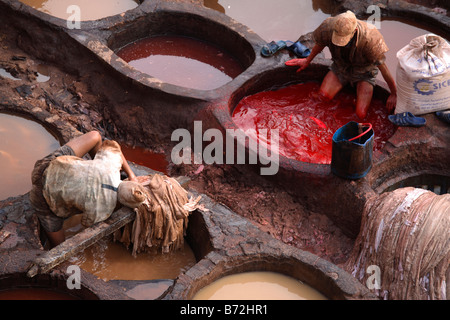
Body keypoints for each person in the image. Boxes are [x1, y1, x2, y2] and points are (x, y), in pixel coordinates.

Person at [30, 131, 146, 248]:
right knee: (59, 247)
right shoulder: (102, 209)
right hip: (43, 196)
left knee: (95, 136)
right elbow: (87, 224)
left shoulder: (111, 165)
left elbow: (116, 149)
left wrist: (131, 175)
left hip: (51, 164)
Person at [285, 10, 397, 119]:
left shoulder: (371, 39)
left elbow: (384, 69)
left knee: (361, 115)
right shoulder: (328, 27)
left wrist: (393, 93)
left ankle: (355, 100)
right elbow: (320, 44)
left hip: (364, 73)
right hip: (340, 67)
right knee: (321, 98)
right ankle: (347, 98)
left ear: (355, 31)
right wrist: (307, 60)